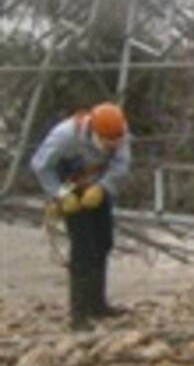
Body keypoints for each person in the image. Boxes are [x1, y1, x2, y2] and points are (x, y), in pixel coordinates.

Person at [31, 102, 132, 330]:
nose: (111, 146)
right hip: (68, 187)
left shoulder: (121, 132)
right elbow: (41, 166)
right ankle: (79, 313)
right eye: (107, 142)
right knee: (83, 249)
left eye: (115, 142)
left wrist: (104, 187)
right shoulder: (64, 137)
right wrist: (59, 195)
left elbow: (121, 164)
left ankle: (98, 304)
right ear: (94, 133)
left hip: (98, 186)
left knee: (103, 243)